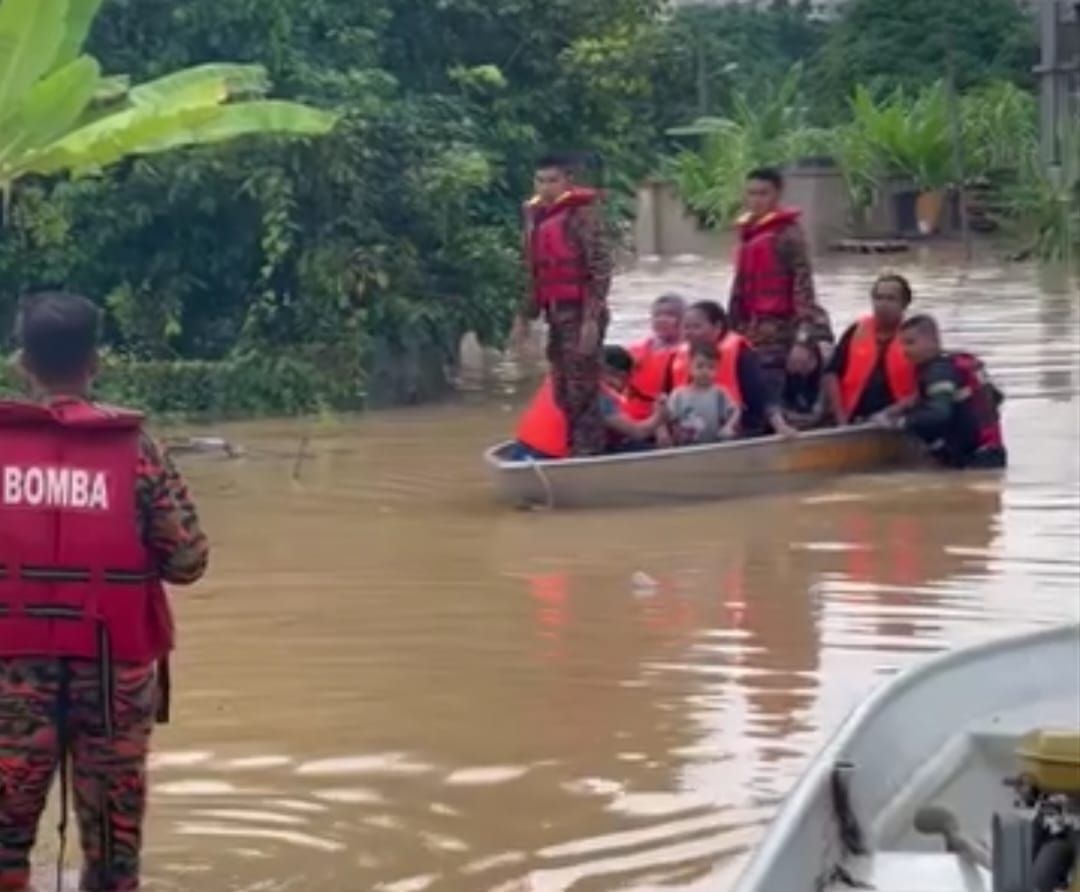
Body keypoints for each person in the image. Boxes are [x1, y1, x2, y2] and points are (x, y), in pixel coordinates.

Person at [0, 292, 208, 892]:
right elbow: (188, 561)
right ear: (96, 360)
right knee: (115, 858)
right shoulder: (139, 452)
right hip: (114, 680)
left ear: (23, 363)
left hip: (11, 677)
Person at [512, 153, 613, 457]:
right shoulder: (536, 220)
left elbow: (600, 270)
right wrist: (524, 317)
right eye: (540, 181)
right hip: (555, 314)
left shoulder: (582, 217)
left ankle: (589, 452)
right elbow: (532, 272)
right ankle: (572, 446)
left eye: (553, 181)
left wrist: (591, 320)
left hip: (581, 313)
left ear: (568, 181)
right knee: (562, 388)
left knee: (582, 387)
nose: (546, 187)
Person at [728, 167, 829, 398]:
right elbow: (738, 289)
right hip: (750, 327)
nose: (756, 200)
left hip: (781, 327)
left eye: (763, 194)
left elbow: (804, 289)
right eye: (751, 194)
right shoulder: (747, 234)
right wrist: (730, 330)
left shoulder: (789, 235)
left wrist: (803, 340)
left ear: (778, 194)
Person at [878, 314, 1007, 469]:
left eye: (910, 343)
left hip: (975, 460)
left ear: (933, 341)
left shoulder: (939, 371)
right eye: (902, 344)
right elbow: (996, 397)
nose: (905, 350)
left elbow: (938, 414)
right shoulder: (956, 363)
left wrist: (901, 422)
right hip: (993, 452)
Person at [666, 300, 797, 438]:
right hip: (688, 434)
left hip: (737, 431)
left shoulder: (740, 353)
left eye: (696, 327)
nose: (689, 333)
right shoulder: (677, 356)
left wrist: (780, 425)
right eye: (686, 327)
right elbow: (667, 402)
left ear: (717, 327)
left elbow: (764, 396)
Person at [513, 346, 666, 460]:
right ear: (619, 375)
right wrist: (660, 415)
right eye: (626, 380)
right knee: (643, 447)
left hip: (521, 451)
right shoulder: (598, 394)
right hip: (550, 459)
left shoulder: (560, 378)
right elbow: (638, 431)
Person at [824, 273, 918, 425]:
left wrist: (894, 412)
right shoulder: (856, 331)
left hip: (899, 420)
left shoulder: (915, 336)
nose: (883, 304)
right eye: (878, 298)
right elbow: (831, 374)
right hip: (852, 420)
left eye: (890, 299)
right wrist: (840, 418)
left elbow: (926, 387)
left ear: (904, 304)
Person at [667, 342, 741, 445]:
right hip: (684, 450)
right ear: (689, 367)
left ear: (717, 369)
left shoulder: (720, 394)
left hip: (713, 448)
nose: (705, 371)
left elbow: (735, 411)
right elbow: (667, 417)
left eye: (711, 367)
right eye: (700, 366)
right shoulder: (678, 394)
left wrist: (728, 427)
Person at [626, 293, 686, 421]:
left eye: (670, 315)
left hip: (672, 418)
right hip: (634, 416)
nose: (661, 319)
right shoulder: (634, 350)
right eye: (657, 315)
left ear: (684, 319)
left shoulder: (692, 353)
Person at [781, 334, 828, 430]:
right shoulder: (790, 371)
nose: (792, 367)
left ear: (812, 361)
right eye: (791, 361)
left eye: (798, 362)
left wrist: (790, 416)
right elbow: (781, 406)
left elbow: (817, 416)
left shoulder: (826, 372)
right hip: (795, 419)